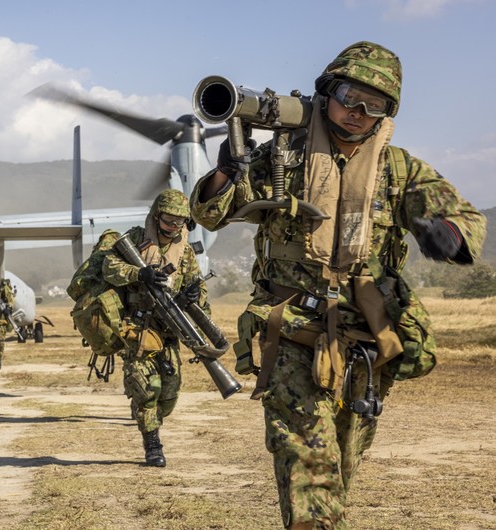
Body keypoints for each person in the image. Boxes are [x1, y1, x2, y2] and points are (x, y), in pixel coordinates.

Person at [190, 41, 486, 529]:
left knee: (343, 460)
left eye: (376, 107)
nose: (358, 113)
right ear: (327, 92)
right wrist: (227, 169)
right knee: (306, 457)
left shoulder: (398, 169)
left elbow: (462, 216)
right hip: (291, 331)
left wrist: (447, 234)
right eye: (350, 96)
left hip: (364, 341)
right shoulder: (282, 157)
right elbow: (209, 214)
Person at [101, 189, 208, 467]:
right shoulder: (136, 239)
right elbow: (109, 267)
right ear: (156, 216)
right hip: (138, 327)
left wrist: (193, 297)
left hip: (170, 331)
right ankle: (152, 444)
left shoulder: (184, 251)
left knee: (169, 393)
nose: (173, 228)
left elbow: (198, 287)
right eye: (168, 221)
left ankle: (147, 416)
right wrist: (140, 273)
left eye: (179, 223)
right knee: (147, 389)